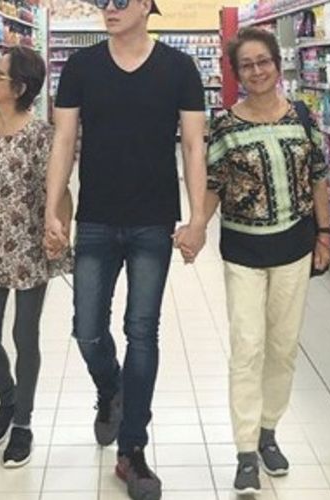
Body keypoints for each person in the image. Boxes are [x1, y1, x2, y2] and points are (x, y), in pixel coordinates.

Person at [43, 0, 208, 498]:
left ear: (146, 5)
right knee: (87, 329)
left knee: (142, 331)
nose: (108, 9)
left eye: (119, 1)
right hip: (96, 217)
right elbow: (63, 139)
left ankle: (132, 449)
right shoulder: (81, 66)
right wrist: (52, 209)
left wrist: (198, 219)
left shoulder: (179, 68)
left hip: (153, 221)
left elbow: (194, 145)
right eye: (103, 2)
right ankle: (111, 388)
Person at [198, 27, 330, 495]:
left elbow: (318, 176)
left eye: (263, 62)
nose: (256, 71)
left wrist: (325, 234)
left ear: (277, 64)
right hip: (243, 250)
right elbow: (213, 183)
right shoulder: (225, 126)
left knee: (283, 346)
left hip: (294, 246)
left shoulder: (302, 116)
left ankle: (268, 431)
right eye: (246, 65)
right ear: (236, 74)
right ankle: (244, 452)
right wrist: (196, 227)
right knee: (247, 346)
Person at [0, 46, 71, 469]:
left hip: (27, 249)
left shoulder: (42, 136)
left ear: (20, 88)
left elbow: (60, 192)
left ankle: (22, 422)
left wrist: (60, 230)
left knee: (26, 337)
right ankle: (7, 397)